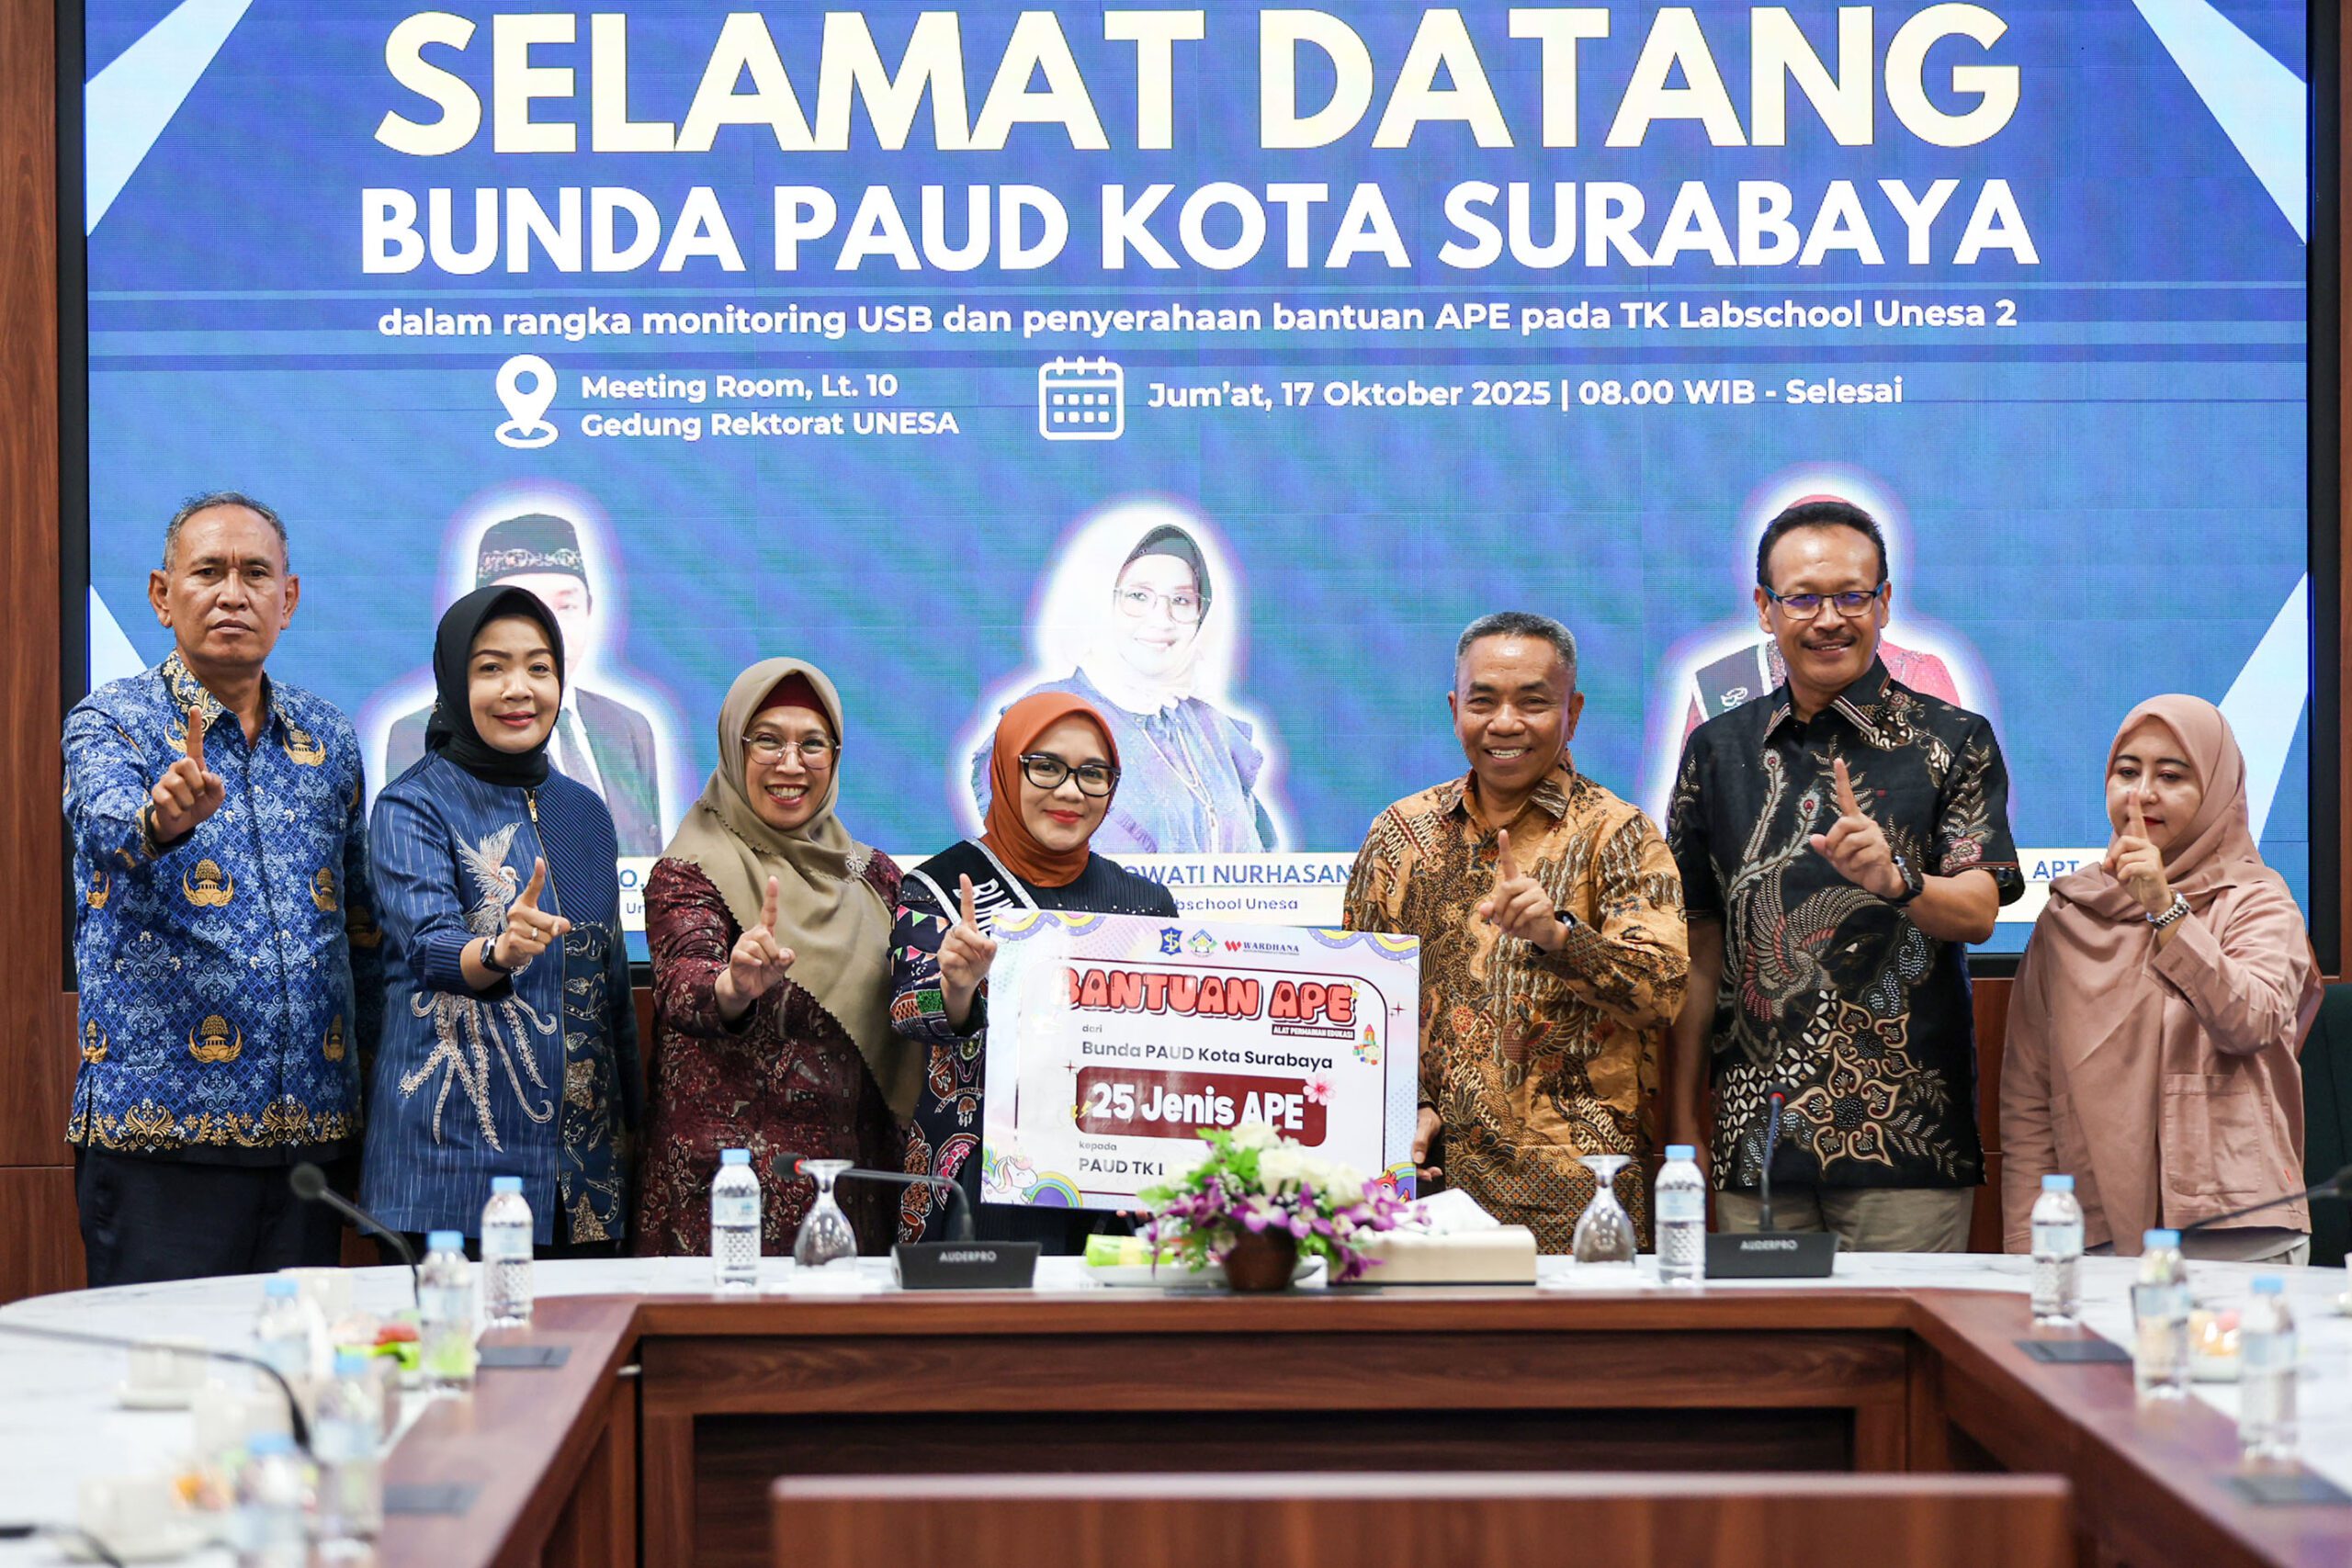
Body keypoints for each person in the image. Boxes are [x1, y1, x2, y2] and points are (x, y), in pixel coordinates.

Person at [1667, 499, 2022, 1253]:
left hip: (1906, 1143)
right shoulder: (1716, 752)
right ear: (1765, 608)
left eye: (1851, 596)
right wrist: (1681, 1121)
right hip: (1755, 1143)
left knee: (1903, 1332)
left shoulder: (1954, 739)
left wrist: (1899, 880)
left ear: (1884, 602)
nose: (1828, 618)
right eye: (1803, 598)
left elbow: (1980, 910)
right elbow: (1700, 949)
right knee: (1767, 1333)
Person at [64, 492, 381, 1285]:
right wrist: (161, 821)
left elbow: (362, 929)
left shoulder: (328, 737)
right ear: (161, 595)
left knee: (297, 1361)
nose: (233, 593)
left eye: (255, 574)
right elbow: (106, 828)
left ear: (289, 598)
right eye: (208, 571)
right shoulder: (113, 720)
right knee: (163, 1363)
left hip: (309, 1143)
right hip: (161, 1146)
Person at [1342, 612, 1688, 1252]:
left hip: (1578, 1203)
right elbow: (1356, 1002)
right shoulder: (1399, 834)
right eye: (1483, 702)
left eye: (1533, 702)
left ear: (1572, 712)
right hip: (1424, 1189)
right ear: (1455, 710)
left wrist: (1561, 937)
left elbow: (1662, 994)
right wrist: (1408, 1108)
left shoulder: (1619, 834)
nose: (1505, 723)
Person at [361, 586, 640, 1255]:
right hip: (449, 1175)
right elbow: (430, 945)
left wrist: (635, 1128)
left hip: (582, 1180)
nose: (520, 689)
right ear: (455, 682)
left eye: (539, 667)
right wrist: (497, 950)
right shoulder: (412, 805)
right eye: (492, 667)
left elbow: (611, 995)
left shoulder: (585, 812)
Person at [2002, 695, 2318, 1264]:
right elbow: (2028, 1093)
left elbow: (2251, 1023)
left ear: (2216, 791)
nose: (2142, 794)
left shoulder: (2258, 901)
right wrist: (2030, 1247)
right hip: (2093, 1230)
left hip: (2236, 1230)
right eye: (2127, 772)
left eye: (2171, 776)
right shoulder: (2068, 914)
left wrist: (2166, 908)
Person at [635, 659, 917, 1257]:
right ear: (734, 748)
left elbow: (915, 1006)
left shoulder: (875, 876)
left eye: (812, 743)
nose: (791, 764)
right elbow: (684, 981)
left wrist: (963, 987)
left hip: (853, 1195)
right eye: (767, 740)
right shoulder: (689, 870)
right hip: (728, 1203)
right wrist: (733, 987)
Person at [898, 692, 1178, 1250]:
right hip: (981, 1184)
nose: (1070, 791)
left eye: (1092, 774)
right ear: (1007, 768)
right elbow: (908, 1012)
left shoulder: (1145, 904)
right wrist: (957, 988)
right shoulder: (942, 886)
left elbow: (1172, 1051)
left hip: (1116, 1184)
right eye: (1046, 766)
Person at [967, 513, 1287, 852]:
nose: (1161, 619)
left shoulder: (1209, 727)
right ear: (1095, 600)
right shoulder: (1045, 719)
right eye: (1138, 596)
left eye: (1181, 600)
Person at [381, 512, 670, 854]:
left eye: (566, 606)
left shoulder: (627, 727)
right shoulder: (419, 736)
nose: (550, 628)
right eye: (526, 611)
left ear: (590, 611)